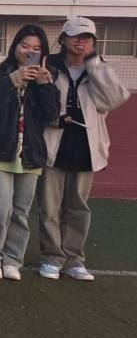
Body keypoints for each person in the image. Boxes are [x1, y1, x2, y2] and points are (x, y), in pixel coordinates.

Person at [38, 17, 130, 281]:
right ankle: (51, 257)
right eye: (76, 36)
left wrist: (94, 64)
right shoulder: (50, 65)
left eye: (87, 37)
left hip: (87, 146)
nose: (82, 41)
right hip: (53, 143)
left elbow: (115, 99)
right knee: (49, 207)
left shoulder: (98, 69)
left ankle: (74, 259)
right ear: (63, 39)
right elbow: (39, 103)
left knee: (78, 206)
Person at [0, 25, 59, 281]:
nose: (29, 52)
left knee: (20, 212)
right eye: (25, 46)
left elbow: (52, 115)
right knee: (0, 210)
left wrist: (44, 85)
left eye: (36, 49)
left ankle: (13, 260)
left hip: (31, 153)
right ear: (15, 46)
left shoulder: (47, 77)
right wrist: (13, 80)